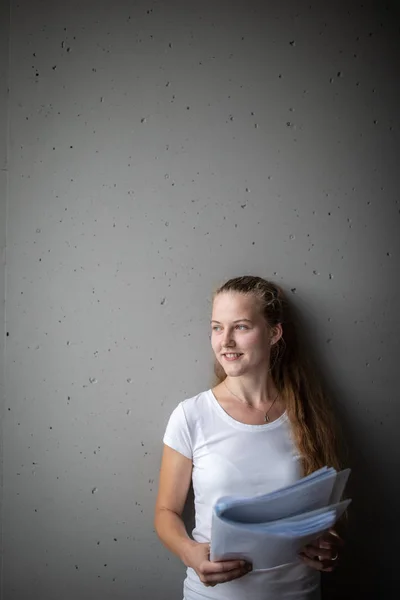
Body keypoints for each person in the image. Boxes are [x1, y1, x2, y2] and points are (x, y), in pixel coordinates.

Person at [154, 275, 345, 600]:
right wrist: (190, 553)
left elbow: (322, 512)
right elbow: (165, 513)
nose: (225, 340)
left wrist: (331, 544)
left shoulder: (307, 414)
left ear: (273, 333)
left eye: (240, 327)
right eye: (217, 327)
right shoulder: (191, 415)